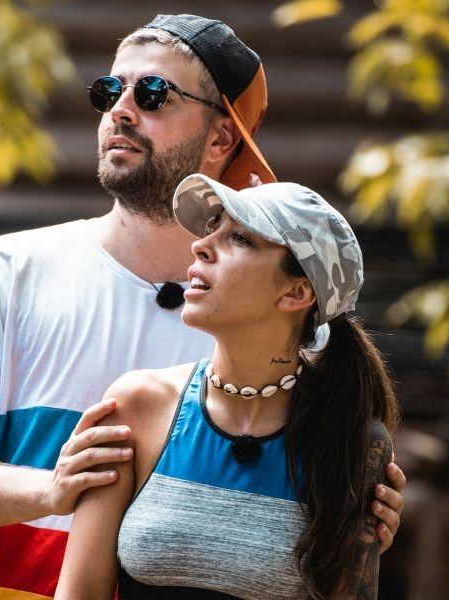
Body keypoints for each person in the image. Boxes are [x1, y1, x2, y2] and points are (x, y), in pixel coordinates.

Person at [0, 14, 406, 599]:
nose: (121, 110)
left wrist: (346, 520)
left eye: (153, 93)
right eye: (109, 90)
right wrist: (53, 490)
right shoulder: (8, 267)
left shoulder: (267, 325)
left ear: (221, 139)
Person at [55, 174, 399, 599]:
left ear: (297, 292)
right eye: (210, 228)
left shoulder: (352, 441)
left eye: (238, 238)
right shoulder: (135, 406)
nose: (200, 245)